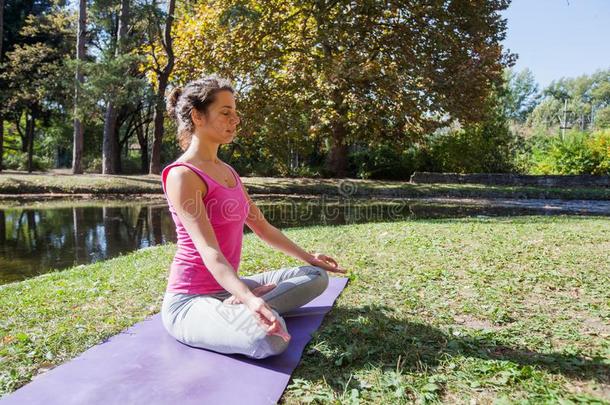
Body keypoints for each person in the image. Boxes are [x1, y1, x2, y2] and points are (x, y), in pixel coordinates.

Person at [160, 75, 347, 359]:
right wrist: (250, 297)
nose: (234, 120)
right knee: (270, 338)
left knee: (316, 276)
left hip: (230, 285)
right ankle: (245, 305)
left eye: (235, 113)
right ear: (197, 116)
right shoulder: (182, 176)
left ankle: (242, 303)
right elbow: (209, 251)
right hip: (191, 301)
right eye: (225, 113)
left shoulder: (228, 173)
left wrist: (309, 257)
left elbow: (262, 227)